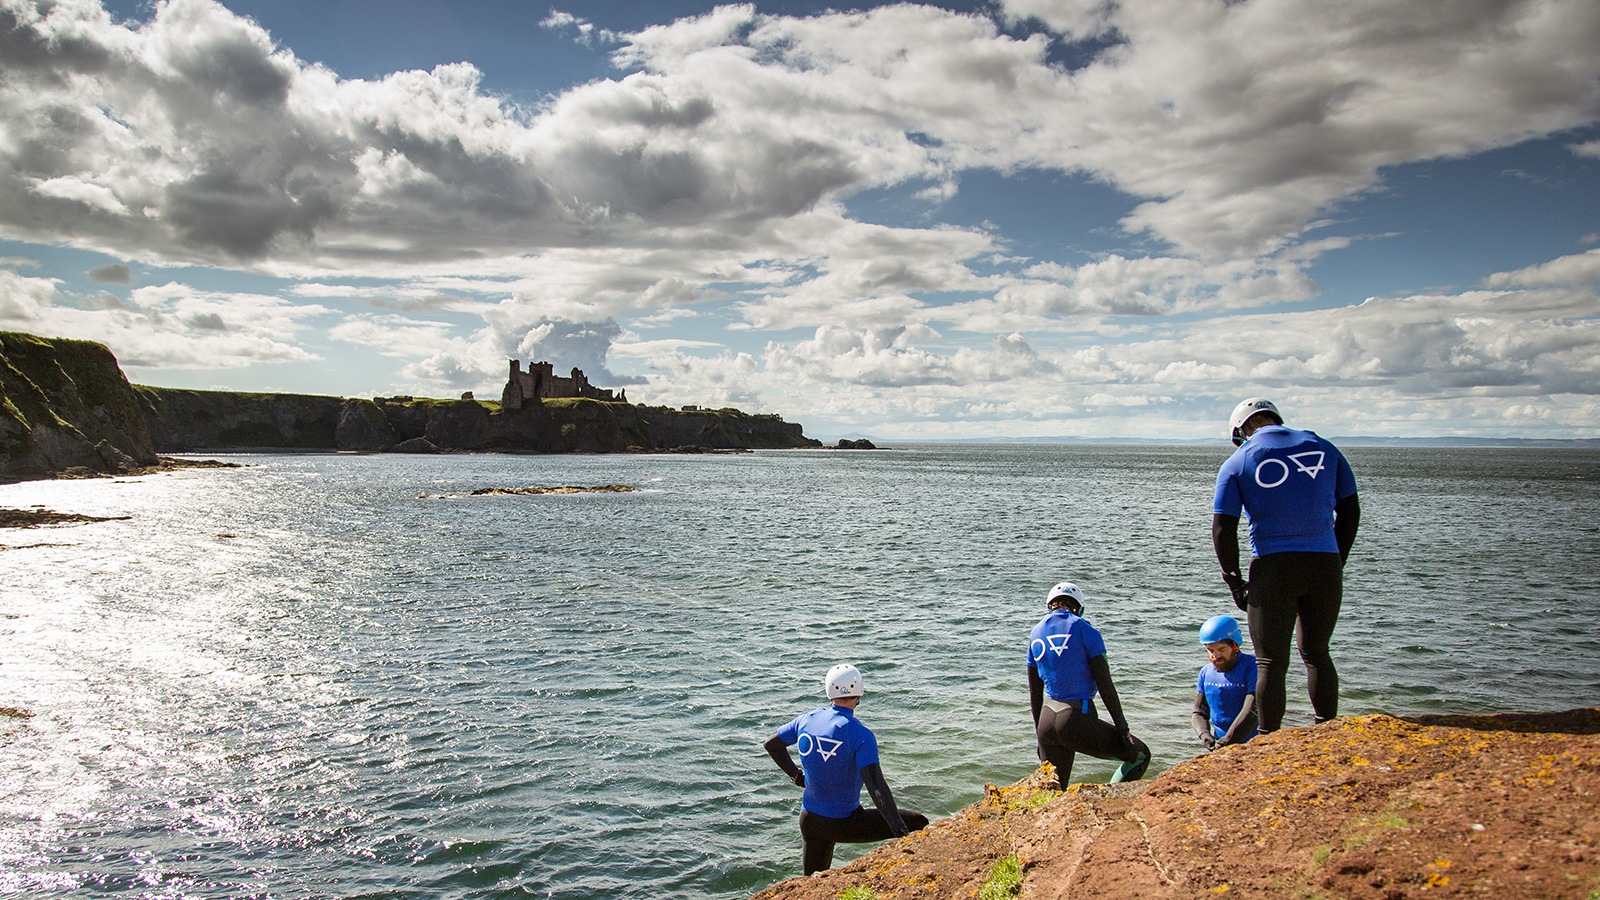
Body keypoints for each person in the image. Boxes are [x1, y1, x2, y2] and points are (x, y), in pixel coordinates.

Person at [1212, 397, 1360, 734]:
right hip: (1324, 563)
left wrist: (1233, 579)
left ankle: (1268, 739)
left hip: (1273, 566)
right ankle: (1326, 728)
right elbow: (1350, 509)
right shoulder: (1324, 447)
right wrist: (1337, 559)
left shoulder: (1239, 461)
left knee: (1270, 663)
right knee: (1317, 652)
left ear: (1240, 430)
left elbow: (1223, 528)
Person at [763, 663, 929, 875]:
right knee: (918, 822)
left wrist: (797, 776)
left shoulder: (807, 720)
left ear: (828, 690)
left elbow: (772, 745)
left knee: (812, 882)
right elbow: (876, 786)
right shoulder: (860, 734)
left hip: (810, 821)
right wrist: (898, 828)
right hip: (844, 823)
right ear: (859, 692)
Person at [1026, 581, 1151, 787]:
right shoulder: (1083, 628)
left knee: (1055, 789)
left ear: (1050, 605)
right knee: (1140, 755)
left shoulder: (1035, 632)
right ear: (1079, 607)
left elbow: (1035, 692)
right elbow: (1105, 684)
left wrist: (1040, 736)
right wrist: (1123, 729)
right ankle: (1112, 799)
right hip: (1075, 720)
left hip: (1046, 721)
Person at [1191, 614, 1259, 750]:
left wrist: (1228, 741)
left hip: (1253, 744)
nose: (1215, 656)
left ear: (1235, 646)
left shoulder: (1253, 667)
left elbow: (1252, 711)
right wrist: (1204, 734)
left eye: (1221, 649)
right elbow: (1199, 712)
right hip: (1221, 743)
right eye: (1210, 650)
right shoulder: (1206, 672)